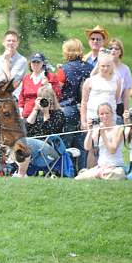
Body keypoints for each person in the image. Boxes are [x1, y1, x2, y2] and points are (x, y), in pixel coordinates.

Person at [56, 38, 93, 170]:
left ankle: (66, 171)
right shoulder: (91, 68)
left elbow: (57, 90)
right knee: (82, 146)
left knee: (66, 145)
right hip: (86, 112)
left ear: (67, 51)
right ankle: (81, 171)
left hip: (68, 111)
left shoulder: (64, 69)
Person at [14, 85, 65, 177]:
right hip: (33, 149)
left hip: (50, 150)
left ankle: (21, 175)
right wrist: (35, 109)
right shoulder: (37, 113)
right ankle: (19, 173)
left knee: (24, 143)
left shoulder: (59, 114)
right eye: (40, 99)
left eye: (45, 99)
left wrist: (46, 113)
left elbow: (49, 134)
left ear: (51, 100)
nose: (43, 102)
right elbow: (25, 130)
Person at [80, 54, 121, 168]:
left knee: (107, 143)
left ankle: (108, 168)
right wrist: (83, 121)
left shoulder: (116, 80)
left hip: (110, 116)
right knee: (93, 146)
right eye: (102, 66)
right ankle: (90, 171)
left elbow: (117, 99)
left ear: (112, 66)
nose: (105, 68)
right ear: (98, 66)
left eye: (108, 66)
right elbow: (84, 102)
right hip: (93, 115)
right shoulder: (90, 81)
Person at [75, 102, 125, 180]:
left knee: (116, 174)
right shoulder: (97, 130)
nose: (104, 116)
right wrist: (90, 130)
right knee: (78, 178)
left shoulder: (118, 129)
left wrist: (103, 134)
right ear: (98, 116)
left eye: (107, 113)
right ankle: (99, 174)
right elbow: (87, 147)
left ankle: (99, 175)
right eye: (101, 114)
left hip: (115, 166)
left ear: (112, 114)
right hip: (101, 167)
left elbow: (112, 150)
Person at [18, 52, 61, 118]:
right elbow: (22, 96)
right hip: (27, 114)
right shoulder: (26, 78)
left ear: (43, 63)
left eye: (38, 62)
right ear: (30, 63)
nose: (35, 64)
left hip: (43, 114)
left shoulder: (50, 77)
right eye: (33, 62)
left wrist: (48, 86)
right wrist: (20, 109)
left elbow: (57, 95)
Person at [0, 30, 27, 98]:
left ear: (17, 43)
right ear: (3, 43)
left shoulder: (22, 61)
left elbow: (11, 82)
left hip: (12, 98)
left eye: (13, 41)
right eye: (8, 40)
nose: (11, 43)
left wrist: (6, 62)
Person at [106, 38, 132, 119]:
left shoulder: (125, 69)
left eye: (116, 48)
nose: (113, 50)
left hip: (118, 105)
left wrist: (126, 110)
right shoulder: (103, 67)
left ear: (121, 51)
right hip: (103, 105)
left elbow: (126, 93)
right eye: (111, 48)